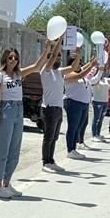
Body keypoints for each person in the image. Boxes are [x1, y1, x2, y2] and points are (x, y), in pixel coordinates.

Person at [0, 42, 56, 199]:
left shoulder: (19, 74)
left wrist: (47, 49)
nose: (13, 60)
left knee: (15, 149)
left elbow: (37, 66)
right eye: (10, 57)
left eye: (15, 58)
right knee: (3, 149)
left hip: (19, 110)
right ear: (5, 59)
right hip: (7, 109)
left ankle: (7, 182)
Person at [62, 49, 97, 160]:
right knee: (73, 127)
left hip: (83, 104)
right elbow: (81, 73)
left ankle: (74, 148)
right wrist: (90, 65)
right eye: (77, 63)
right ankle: (70, 149)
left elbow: (84, 68)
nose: (80, 65)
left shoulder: (80, 72)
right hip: (73, 102)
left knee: (78, 127)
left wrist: (93, 61)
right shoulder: (67, 74)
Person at [40, 43, 66, 171]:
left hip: (58, 108)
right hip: (49, 108)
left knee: (54, 137)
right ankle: (45, 162)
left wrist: (78, 55)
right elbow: (53, 54)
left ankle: (51, 160)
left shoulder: (59, 73)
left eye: (60, 57)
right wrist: (59, 40)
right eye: (57, 57)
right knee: (48, 137)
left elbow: (74, 67)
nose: (59, 59)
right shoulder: (46, 71)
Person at [90, 68, 110, 143]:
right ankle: (93, 135)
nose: (103, 72)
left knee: (101, 119)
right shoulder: (94, 79)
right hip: (97, 101)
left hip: (105, 101)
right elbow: (93, 84)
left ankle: (98, 134)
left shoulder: (105, 79)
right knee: (96, 119)